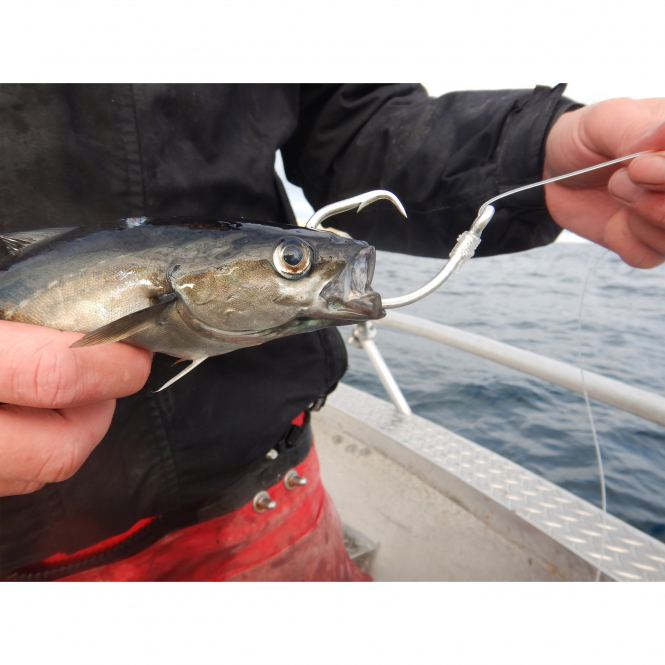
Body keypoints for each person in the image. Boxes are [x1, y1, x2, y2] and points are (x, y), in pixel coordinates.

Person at [1, 84, 664, 581]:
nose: (310, 265)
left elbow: (351, 121)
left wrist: (535, 151)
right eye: (293, 261)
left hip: (266, 486)